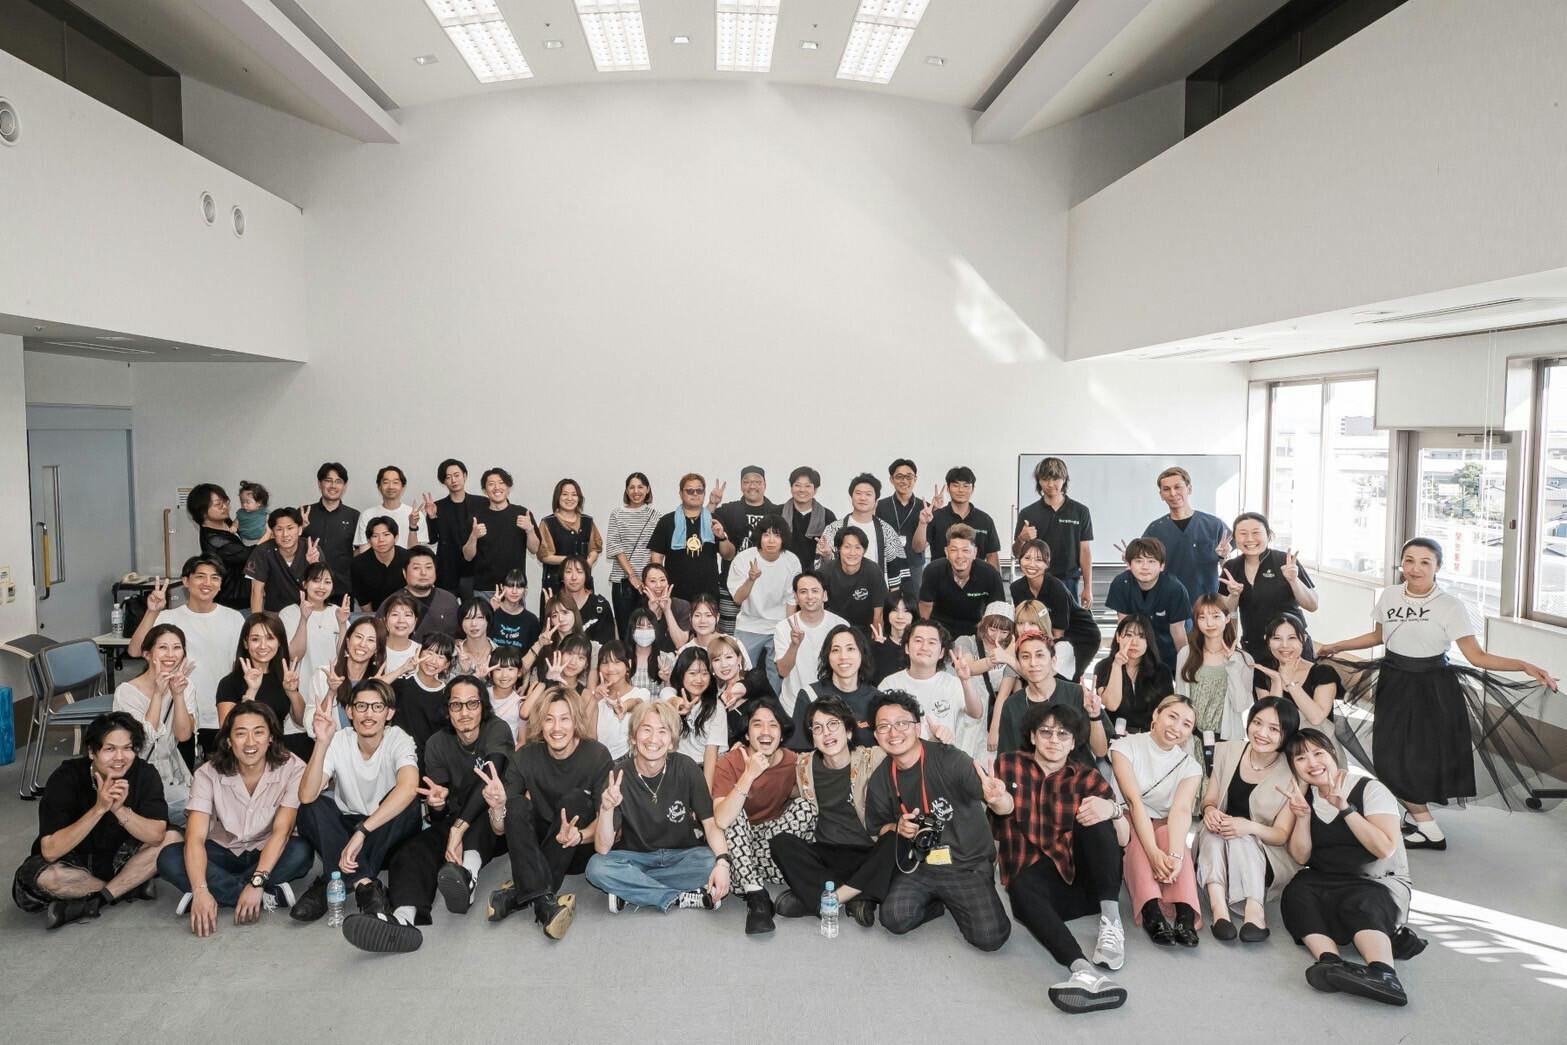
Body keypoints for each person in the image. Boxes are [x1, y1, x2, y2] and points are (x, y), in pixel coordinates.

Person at [1317, 537, 1559, 850]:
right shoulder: (1390, 595)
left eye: (1425, 562)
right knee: (1388, 755)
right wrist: (1338, 646)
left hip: (1432, 688)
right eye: (1409, 560)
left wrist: (1524, 666)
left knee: (1416, 758)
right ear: (1401, 563)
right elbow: (1379, 636)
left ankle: (1429, 828)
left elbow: (1477, 657)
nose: (1415, 568)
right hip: (1393, 681)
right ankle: (1418, 816)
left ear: (1438, 567)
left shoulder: (1450, 605)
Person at [349, 674, 514, 952]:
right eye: (456, 705)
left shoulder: (497, 729)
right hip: (453, 822)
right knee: (411, 852)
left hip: (496, 821)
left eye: (472, 704)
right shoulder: (437, 743)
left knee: (482, 797)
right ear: (447, 710)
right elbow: (441, 812)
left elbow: (490, 775)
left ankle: (467, 874)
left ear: (483, 707)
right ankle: (403, 918)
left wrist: (457, 829)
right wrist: (437, 805)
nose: (464, 712)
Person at [993, 703, 1129, 1013]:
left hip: (1085, 881)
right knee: (1019, 887)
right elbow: (999, 814)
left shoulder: (1087, 777)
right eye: (1046, 732)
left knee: (1096, 814)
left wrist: (1113, 810)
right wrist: (997, 801)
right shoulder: (1007, 765)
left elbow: (1122, 840)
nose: (1054, 740)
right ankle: (1084, 972)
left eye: (1063, 734)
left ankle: (1111, 922)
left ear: (1074, 741)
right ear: (1032, 736)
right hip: (1037, 886)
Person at [1280, 728, 1422, 1006]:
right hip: (1327, 876)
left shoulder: (1370, 789)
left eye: (1318, 753)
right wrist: (1303, 818)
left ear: (1333, 754)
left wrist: (1346, 809)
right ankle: (1330, 961)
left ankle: (1384, 974)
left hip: (1377, 881)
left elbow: (1384, 848)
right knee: (1297, 891)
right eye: (1300, 758)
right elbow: (1300, 856)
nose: (1311, 763)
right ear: (1293, 766)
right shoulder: (1304, 796)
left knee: (1362, 903)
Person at [864, 691, 1013, 951]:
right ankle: (938, 903)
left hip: (966, 863)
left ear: (917, 727)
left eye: (902, 723)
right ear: (876, 736)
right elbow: (878, 829)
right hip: (920, 865)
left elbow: (1005, 808)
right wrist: (897, 827)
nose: (893, 732)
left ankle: (965, 894)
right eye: (884, 726)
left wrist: (999, 799)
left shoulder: (950, 759)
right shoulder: (879, 779)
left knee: (990, 937)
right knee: (893, 919)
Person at [157, 702, 313, 935]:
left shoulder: (293, 768)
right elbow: (195, 837)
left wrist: (256, 881)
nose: (250, 742)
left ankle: (224, 892)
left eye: (258, 732)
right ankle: (266, 895)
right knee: (169, 857)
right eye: (241, 734)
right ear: (229, 741)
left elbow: (282, 831)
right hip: (223, 849)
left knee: (301, 852)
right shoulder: (207, 773)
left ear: (270, 737)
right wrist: (200, 890)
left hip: (266, 849)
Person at [12, 712, 175, 929]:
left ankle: (98, 900)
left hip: (123, 858)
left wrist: (119, 810)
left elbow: (157, 835)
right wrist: (99, 809)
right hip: (75, 862)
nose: (120, 757)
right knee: (43, 879)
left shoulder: (145, 774)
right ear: (91, 752)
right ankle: (128, 886)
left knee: (172, 840)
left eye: (127, 748)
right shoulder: (66, 777)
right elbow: (50, 850)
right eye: (110, 749)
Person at [291, 679, 421, 925]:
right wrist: (321, 742)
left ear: (389, 713)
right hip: (347, 825)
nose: (368, 714)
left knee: (409, 804)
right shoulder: (339, 740)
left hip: (384, 829)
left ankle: (331, 879)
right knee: (311, 807)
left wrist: (362, 831)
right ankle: (364, 883)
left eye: (377, 707)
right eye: (361, 706)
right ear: (349, 711)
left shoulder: (399, 739)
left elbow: (409, 787)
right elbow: (306, 795)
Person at [488, 685, 614, 938]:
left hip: (577, 847)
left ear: (576, 721)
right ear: (540, 724)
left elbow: (606, 823)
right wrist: (497, 806)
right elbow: (500, 828)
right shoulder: (525, 756)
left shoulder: (597, 755)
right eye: (549, 719)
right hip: (539, 845)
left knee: (576, 799)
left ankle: (519, 893)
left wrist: (580, 836)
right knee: (516, 803)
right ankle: (544, 902)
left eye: (565, 719)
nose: (557, 728)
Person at [585, 700, 733, 913]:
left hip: (681, 854)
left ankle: (632, 889)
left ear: (672, 742)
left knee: (710, 861)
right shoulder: (618, 776)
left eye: (662, 731)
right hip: (636, 856)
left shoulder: (687, 767)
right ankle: (677, 897)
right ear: (633, 737)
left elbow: (710, 824)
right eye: (646, 729)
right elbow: (603, 848)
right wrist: (606, 810)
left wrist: (723, 863)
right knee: (596, 868)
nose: (653, 739)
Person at [769, 695, 895, 929]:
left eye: (833, 724)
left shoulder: (873, 758)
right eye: (818, 728)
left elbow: (907, 750)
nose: (826, 733)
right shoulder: (804, 766)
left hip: (866, 852)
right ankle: (857, 898)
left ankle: (823, 898)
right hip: (827, 852)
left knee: (895, 839)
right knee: (781, 843)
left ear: (848, 731)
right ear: (812, 738)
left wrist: (939, 740)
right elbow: (774, 761)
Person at [1197, 697, 1300, 942]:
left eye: (1274, 729)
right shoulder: (1228, 751)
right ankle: (1219, 910)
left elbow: (1281, 835)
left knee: (1243, 837)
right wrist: (1210, 811)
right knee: (1213, 832)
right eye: (1257, 723)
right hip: (1220, 843)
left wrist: (1249, 827)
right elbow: (1209, 800)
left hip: (1265, 854)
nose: (1262, 733)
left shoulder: (1293, 772)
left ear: (1287, 734)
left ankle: (1255, 913)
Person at [128, 561, 246, 763]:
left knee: (223, 773)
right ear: (185, 581)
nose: (207, 583)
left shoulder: (234, 618)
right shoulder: (168, 617)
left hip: (221, 712)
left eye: (215, 578)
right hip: (177, 713)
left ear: (220, 585)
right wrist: (152, 611)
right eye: (200, 576)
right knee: (183, 774)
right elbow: (135, 650)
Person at [1109, 694, 1204, 947]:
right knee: (1140, 843)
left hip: (1163, 819)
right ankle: (1152, 911)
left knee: (1171, 839)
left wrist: (1175, 855)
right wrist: (1153, 853)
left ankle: (1185, 914)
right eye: (1172, 716)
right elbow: (1133, 801)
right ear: (1156, 715)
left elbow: (1181, 811)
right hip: (1127, 815)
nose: (1177, 727)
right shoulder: (1124, 746)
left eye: (1186, 724)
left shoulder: (1190, 766)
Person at [712, 698, 812, 934]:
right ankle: (756, 895)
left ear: (782, 734)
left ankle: (742, 873)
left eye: (773, 724)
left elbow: (807, 793)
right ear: (747, 734)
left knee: (807, 808)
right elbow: (722, 820)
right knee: (733, 811)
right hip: (737, 838)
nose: (766, 731)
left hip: (768, 842)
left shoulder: (793, 761)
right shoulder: (729, 763)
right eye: (757, 724)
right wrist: (748, 775)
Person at [113, 623, 195, 822]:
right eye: (163, 647)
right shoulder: (126, 692)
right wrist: (158, 694)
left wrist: (177, 695)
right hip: (137, 773)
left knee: (202, 811)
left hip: (171, 773)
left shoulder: (185, 685)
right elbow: (144, 740)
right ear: (147, 654)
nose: (171, 655)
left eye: (177, 648)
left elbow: (183, 735)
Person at [991, 631, 1108, 763]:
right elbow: (1007, 760)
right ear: (1018, 663)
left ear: (1053, 660)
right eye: (1025, 657)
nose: (1033, 663)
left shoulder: (1077, 694)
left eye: (1040, 655)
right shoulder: (1012, 705)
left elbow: (1100, 751)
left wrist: (1094, 716)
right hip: (1032, 775)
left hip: (1079, 773)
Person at [1220, 512, 1318, 661]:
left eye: (1256, 532)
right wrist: (1234, 595)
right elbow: (1226, 611)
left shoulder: (1285, 561)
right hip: (1254, 646)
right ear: (1235, 537)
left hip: (1290, 645)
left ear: (1268, 535)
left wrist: (1293, 580)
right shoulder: (1231, 567)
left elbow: (1312, 605)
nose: (1250, 539)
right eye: (1243, 533)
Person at [1173, 593, 1256, 765]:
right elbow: (1180, 700)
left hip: (1227, 740)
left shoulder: (1243, 659)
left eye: (1216, 616)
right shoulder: (1185, 654)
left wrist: (1232, 665)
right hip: (1190, 739)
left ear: (1227, 618)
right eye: (1202, 617)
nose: (1209, 623)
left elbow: (1241, 705)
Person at [215, 612, 309, 760]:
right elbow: (227, 730)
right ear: (246, 643)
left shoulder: (284, 678)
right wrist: (251, 691)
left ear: (279, 642)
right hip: (243, 759)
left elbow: (301, 721)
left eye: (270, 638)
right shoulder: (229, 683)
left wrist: (292, 692)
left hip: (276, 757)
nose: (263, 646)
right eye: (255, 639)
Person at [879, 620, 983, 752]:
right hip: (900, 757)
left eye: (932, 642)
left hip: (943, 757)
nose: (924, 647)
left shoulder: (953, 683)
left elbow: (976, 713)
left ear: (941, 653)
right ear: (907, 648)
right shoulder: (889, 684)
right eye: (918, 640)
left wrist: (965, 680)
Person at [1012, 539, 1100, 681]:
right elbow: (1023, 622)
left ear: (1047, 563)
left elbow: (1058, 637)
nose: (1031, 564)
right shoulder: (1016, 588)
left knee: (1061, 677)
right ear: (1020, 560)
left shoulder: (1057, 589)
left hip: (1080, 634)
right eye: (1027, 558)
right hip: (1049, 633)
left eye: (1038, 560)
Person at [727, 514, 801, 683]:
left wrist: (788, 631)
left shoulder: (791, 561)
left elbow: (791, 600)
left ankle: (774, 701)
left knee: (778, 677)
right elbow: (737, 599)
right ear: (759, 537)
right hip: (749, 624)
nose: (771, 540)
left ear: (784, 538)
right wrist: (751, 579)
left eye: (777, 535)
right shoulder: (743, 559)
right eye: (766, 535)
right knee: (741, 674)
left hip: (778, 626)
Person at [1013, 457, 1096, 608]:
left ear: (1064, 479)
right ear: (1039, 481)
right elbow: (1017, 552)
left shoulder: (1080, 511)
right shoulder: (1028, 513)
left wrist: (1088, 587)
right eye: (1045, 479)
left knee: (1067, 622)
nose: (1050, 484)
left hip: (1068, 582)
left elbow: (1085, 551)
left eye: (1056, 479)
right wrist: (1021, 539)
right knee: (1033, 622)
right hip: (1036, 580)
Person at [1142, 466, 1230, 602]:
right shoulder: (1154, 530)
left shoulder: (1214, 525)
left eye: (1178, 487)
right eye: (1166, 489)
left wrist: (1224, 557)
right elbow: (1146, 566)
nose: (1173, 493)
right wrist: (1133, 560)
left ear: (1189, 489)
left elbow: (1228, 566)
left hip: (1206, 604)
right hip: (1168, 602)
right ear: (1161, 495)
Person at [788, 624, 879, 751]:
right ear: (827, 656)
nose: (843, 656)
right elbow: (798, 750)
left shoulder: (876, 698)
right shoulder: (810, 695)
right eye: (836, 650)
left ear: (862, 654)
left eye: (850, 649)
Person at [713, 466, 782, 633]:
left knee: (763, 636)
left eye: (757, 481)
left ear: (765, 484)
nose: (752, 486)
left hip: (766, 589)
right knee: (728, 637)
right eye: (747, 482)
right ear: (741, 485)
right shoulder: (729, 510)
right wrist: (713, 503)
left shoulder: (777, 512)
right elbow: (703, 519)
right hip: (731, 585)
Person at [1105, 537, 1191, 669]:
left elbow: (1178, 631)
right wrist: (1120, 661)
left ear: (1162, 566)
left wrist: (1186, 666)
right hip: (1135, 650)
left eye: (1151, 561)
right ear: (1129, 564)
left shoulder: (1175, 589)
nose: (1145, 567)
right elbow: (1123, 626)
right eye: (1138, 561)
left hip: (1168, 651)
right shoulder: (1121, 584)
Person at [772, 571, 848, 718]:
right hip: (793, 706)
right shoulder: (784, 627)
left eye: (815, 591)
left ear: (824, 595)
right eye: (803, 592)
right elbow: (782, 672)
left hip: (832, 706)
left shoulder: (840, 625)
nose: (810, 596)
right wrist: (794, 645)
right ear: (796, 597)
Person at [818, 473, 909, 592]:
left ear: (876, 500)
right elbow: (822, 571)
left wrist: (894, 598)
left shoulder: (887, 531)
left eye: (868, 494)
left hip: (875, 594)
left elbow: (896, 570)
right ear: (851, 497)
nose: (863, 498)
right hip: (840, 593)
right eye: (858, 493)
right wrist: (826, 556)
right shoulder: (834, 529)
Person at [648, 472, 730, 602]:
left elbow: (728, 555)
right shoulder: (667, 521)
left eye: (699, 490)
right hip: (675, 595)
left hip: (708, 595)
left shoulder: (714, 520)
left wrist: (722, 537)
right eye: (690, 491)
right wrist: (659, 588)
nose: (695, 494)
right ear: (681, 493)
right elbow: (656, 558)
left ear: (704, 493)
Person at [917, 523, 1006, 640]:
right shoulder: (933, 571)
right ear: (946, 552)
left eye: (965, 550)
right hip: (940, 631)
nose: (960, 556)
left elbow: (998, 611)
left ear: (974, 553)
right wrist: (927, 636)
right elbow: (925, 607)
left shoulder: (990, 574)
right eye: (954, 550)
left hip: (976, 631)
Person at [305, 615, 386, 741]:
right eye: (358, 637)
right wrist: (331, 691)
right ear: (348, 641)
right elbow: (312, 728)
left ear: (377, 649)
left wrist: (377, 689)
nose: (362, 644)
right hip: (330, 749)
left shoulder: (380, 681)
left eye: (371, 640)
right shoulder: (323, 675)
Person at [1252, 614, 1340, 727]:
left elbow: (1316, 718)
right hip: (1279, 737)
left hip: (1314, 737)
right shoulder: (1264, 674)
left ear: (1303, 639)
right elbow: (1270, 719)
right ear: (1267, 641)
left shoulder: (1323, 672)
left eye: (1292, 638)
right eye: (1277, 638)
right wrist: (1277, 681)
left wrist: (1289, 682)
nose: (1284, 645)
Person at [1093, 615, 1174, 737]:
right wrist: (1117, 665)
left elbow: (1167, 710)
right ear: (1118, 637)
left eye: (1142, 636)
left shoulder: (1161, 671)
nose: (1134, 642)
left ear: (1148, 641)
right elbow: (1111, 705)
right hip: (1114, 735)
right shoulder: (1103, 666)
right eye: (1129, 635)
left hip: (1150, 737)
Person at [278, 564, 347, 706]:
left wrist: (342, 624)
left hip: (333, 686)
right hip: (300, 685)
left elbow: (345, 655)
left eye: (327, 582)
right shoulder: (289, 613)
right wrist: (303, 619)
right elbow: (294, 655)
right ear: (305, 584)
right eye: (316, 580)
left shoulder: (338, 612)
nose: (321, 587)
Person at [464, 467, 539, 593]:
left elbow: (534, 549)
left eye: (501, 483)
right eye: (491, 484)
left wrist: (530, 530)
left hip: (514, 587)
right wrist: (473, 536)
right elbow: (467, 556)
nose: (497, 487)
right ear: (485, 490)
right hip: (484, 588)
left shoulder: (522, 513)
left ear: (508, 488)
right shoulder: (476, 518)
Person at [661, 647, 726, 788]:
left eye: (704, 673)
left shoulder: (717, 707)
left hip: (705, 768)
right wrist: (680, 705)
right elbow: (669, 697)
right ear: (681, 674)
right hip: (676, 767)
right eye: (693, 673)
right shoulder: (670, 693)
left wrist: (705, 792)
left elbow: (711, 753)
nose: (699, 679)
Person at [606, 471, 658, 636]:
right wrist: (632, 575)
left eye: (640, 487)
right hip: (623, 582)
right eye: (632, 487)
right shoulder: (617, 514)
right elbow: (615, 546)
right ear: (627, 490)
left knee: (647, 630)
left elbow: (656, 550)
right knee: (626, 631)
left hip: (647, 583)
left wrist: (651, 579)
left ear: (647, 489)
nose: (636, 491)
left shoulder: (655, 516)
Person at [392, 635, 456, 767]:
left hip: (430, 763)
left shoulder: (447, 695)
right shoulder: (402, 683)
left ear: (447, 665)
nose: (433, 660)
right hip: (396, 757)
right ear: (419, 652)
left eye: (441, 657)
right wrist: (403, 669)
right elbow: (371, 689)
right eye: (430, 653)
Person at [187, 483, 252, 610]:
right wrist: (270, 535)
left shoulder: (226, 522)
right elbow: (247, 554)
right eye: (218, 504)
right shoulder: (212, 538)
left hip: (246, 595)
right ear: (203, 512)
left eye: (225, 502)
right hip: (232, 601)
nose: (225, 507)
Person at [536, 478, 603, 603]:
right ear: (558, 497)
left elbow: (594, 548)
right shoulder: (548, 523)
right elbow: (545, 555)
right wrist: (573, 562)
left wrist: (587, 563)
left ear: (579, 498)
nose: (569, 498)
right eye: (565, 494)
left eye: (574, 494)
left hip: (583, 584)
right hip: (556, 584)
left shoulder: (587, 521)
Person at [301, 462, 360, 598]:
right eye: (328, 480)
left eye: (338, 481)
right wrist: (300, 529)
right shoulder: (304, 513)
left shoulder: (354, 516)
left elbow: (359, 552)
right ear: (319, 483)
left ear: (344, 486)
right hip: (310, 586)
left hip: (342, 587)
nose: (333, 485)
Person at [817, 526, 889, 633]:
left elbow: (879, 613)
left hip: (864, 629)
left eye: (858, 547)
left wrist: (876, 638)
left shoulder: (873, 571)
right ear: (838, 548)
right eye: (847, 547)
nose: (852, 553)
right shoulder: (825, 571)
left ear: (864, 550)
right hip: (833, 629)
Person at [424, 458, 478, 596]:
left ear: (465, 476)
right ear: (443, 481)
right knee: (447, 607)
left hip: (474, 569)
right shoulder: (438, 507)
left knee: (473, 608)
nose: (453, 480)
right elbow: (432, 539)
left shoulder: (481, 503)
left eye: (456, 475)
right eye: (448, 477)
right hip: (447, 570)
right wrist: (432, 517)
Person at [245, 506, 314, 614]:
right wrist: (257, 620)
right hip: (274, 613)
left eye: (290, 528)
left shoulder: (311, 548)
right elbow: (256, 592)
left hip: (307, 611)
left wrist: (314, 564)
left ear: (300, 530)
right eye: (279, 529)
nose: (285, 534)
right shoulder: (262, 551)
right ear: (272, 533)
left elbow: (322, 585)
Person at [927, 466, 1001, 568]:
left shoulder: (985, 520)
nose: (961, 490)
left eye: (966, 486)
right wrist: (923, 522)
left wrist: (996, 578)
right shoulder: (936, 517)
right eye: (955, 485)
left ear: (973, 489)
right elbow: (918, 548)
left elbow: (992, 555)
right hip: (941, 575)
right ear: (948, 489)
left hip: (977, 576)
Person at [876, 459, 932, 594]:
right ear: (891, 480)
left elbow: (922, 546)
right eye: (899, 476)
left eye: (909, 476)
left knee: (912, 604)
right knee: (886, 603)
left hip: (914, 566)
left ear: (915, 479)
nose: (904, 480)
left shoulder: (925, 508)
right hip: (886, 567)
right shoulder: (880, 506)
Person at [586, 641, 649, 759]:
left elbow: (637, 703)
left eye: (616, 662)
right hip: (600, 759)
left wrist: (625, 706)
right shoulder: (597, 698)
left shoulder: (642, 693)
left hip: (629, 760)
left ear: (628, 665)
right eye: (605, 662)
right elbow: (589, 737)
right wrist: (594, 700)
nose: (610, 668)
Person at [387, 545, 461, 641]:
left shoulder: (449, 600)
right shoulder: (392, 603)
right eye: (416, 568)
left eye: (428, 567)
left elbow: (459, 636)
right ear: (404, 573)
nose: (423, 573)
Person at [350, 515, 411, 611]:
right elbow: (363, 600)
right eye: (375, 536)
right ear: (369, 540)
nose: (381, 540)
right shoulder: (358, 564)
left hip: (408, 611)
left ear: (396, 537)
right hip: (375, 613)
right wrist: (372, 618)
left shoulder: (409, 559)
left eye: (386, 534)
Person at [557, 556, 616, 643]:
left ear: (586, 576)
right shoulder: (555, 606)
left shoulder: (600, 606)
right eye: (568, 572)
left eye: (579, 572)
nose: (574, 577)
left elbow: (608, 645)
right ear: (562, 577)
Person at [352, 466, 412, 551]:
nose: (391, 486)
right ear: (379, 487)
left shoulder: (414, 515)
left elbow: (418, 551)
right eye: (386, 482)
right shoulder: (367, 515)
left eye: (395, 482)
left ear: (403, 486)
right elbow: (364, 552)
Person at [488, 569, 542, 651]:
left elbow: (535, 650)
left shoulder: (531, 620)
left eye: (519, 587)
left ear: (525, 590)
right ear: (502, 587)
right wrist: (490, 610)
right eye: (510, 586)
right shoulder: (491, 612)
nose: (514, 591)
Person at [870, 591, 915, 683]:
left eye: (906, 611)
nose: (900, 616)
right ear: (887, 613)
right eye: (895, 610)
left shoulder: (919, 646)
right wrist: (877, 649)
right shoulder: (876, 646)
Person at [378, 593, 422, 678]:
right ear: (385, 620)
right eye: (395, 614)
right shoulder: (373, 648)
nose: (401, 620)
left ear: (415, 621)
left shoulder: (421, 652)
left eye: (407, 615)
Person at [454, 597, 495, 675]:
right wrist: (464, 672)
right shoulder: (452, 654)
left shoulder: (500, 654)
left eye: (479, 617)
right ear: (461, 623)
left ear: (488, 621)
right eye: (467, 618)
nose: (473, 624)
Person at [235, 480, 270, 544]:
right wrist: (234, 526)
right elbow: (237, 521)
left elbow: (269, 526)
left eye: (247, 502)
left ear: (259, 503)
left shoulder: (263, 512)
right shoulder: (241, 512)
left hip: (261, 538)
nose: (244, 505)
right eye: (242, 502)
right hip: (245, 539)